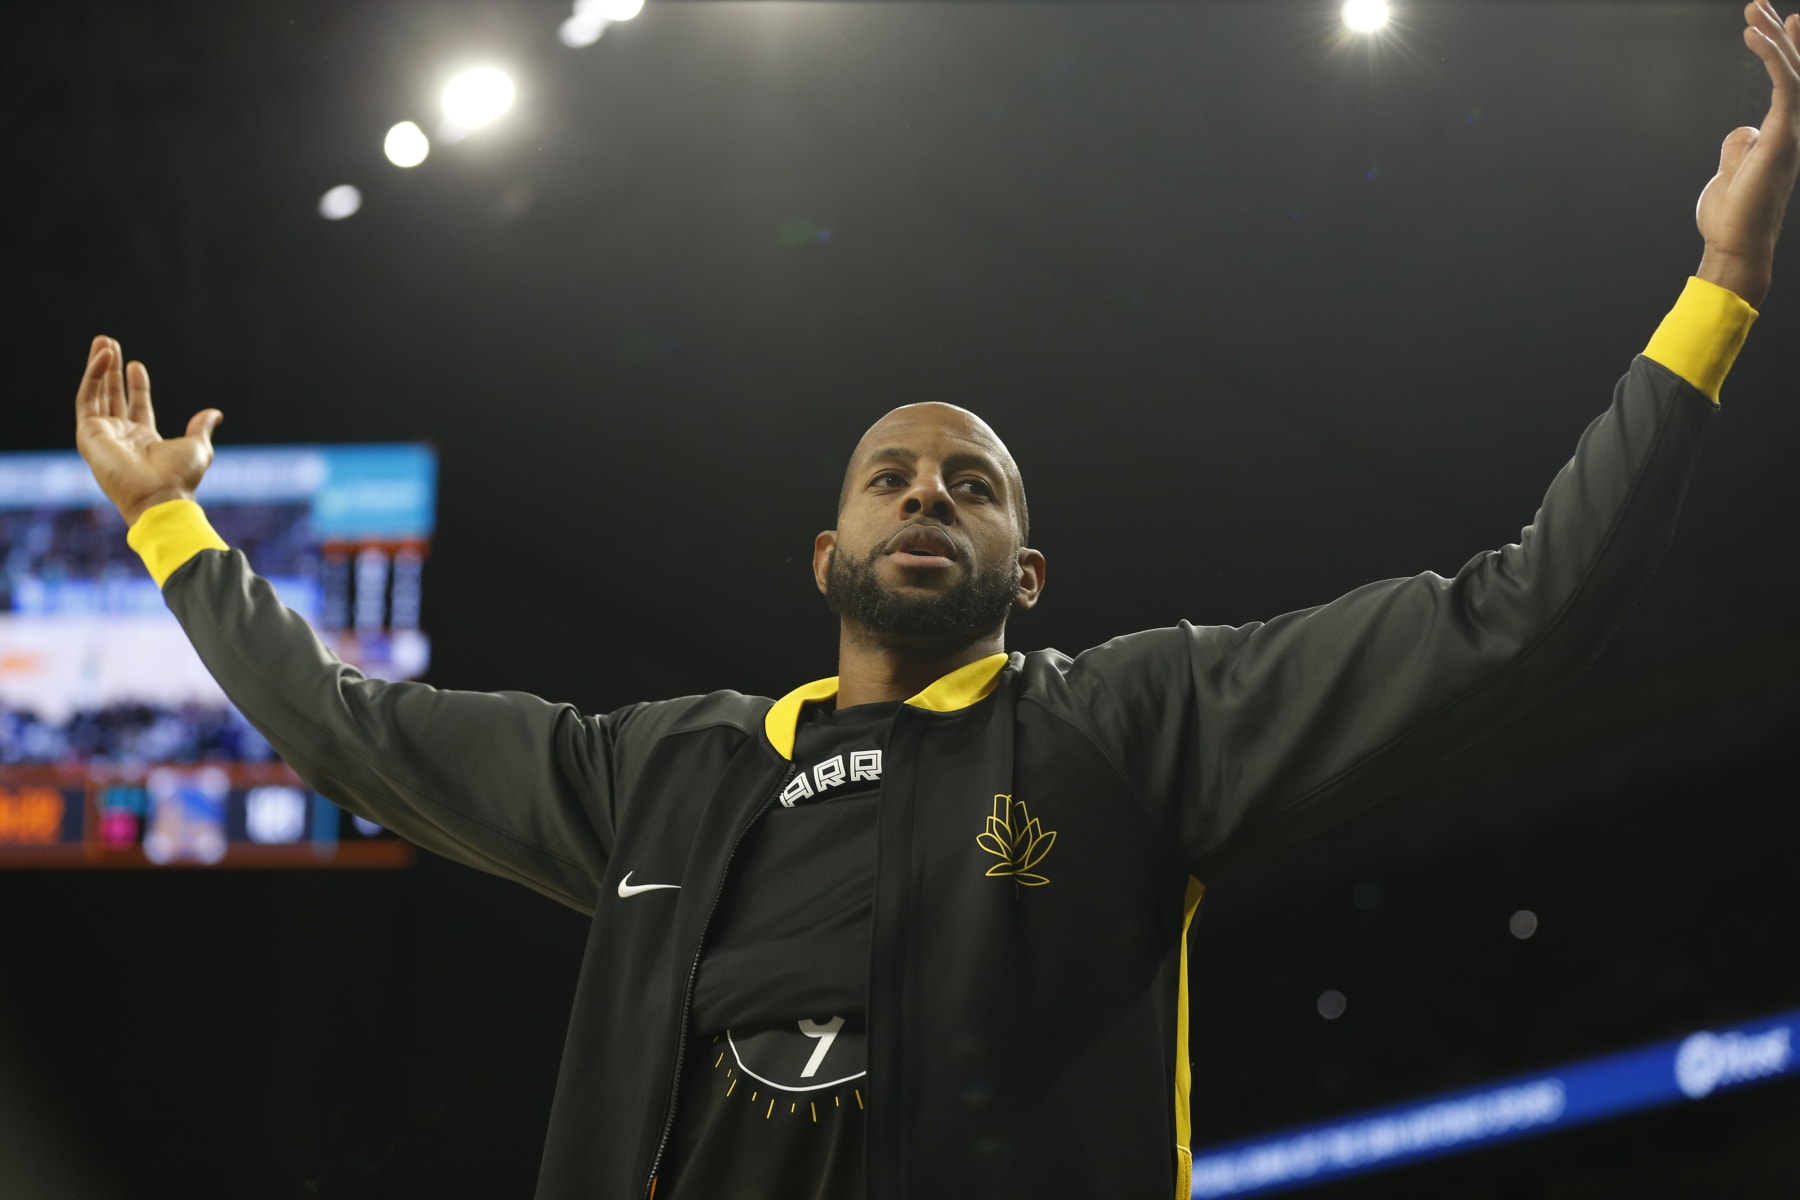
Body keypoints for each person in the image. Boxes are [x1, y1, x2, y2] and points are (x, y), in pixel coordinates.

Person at [69, 5, 1800, 1198]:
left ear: (1025, 576)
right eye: (890, 476)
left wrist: (1721, 281)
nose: (926, 494)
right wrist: (167, 529)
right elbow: (348, 731)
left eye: (972, 485)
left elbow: (1521, 610)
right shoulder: (656, 773)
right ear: (824, 557)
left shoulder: (1136, 726)